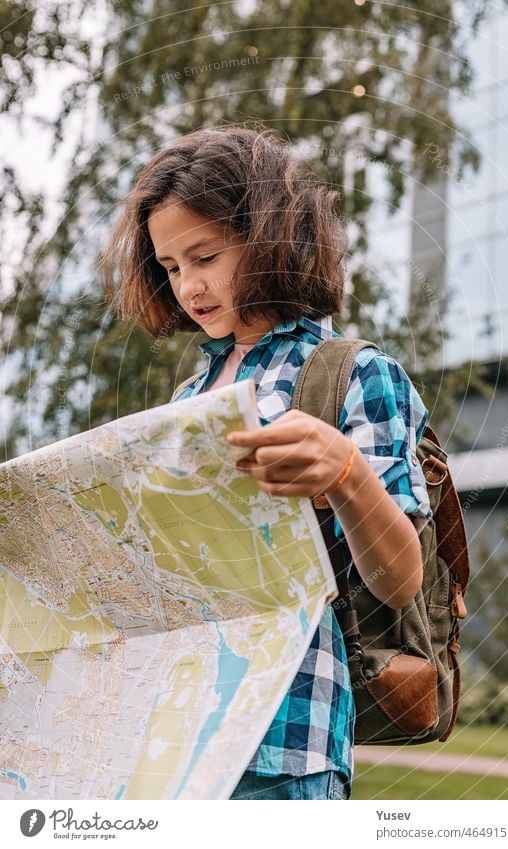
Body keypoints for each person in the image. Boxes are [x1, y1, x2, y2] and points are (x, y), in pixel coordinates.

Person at [100, 125, 432, 800]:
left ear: (272, 234)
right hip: (171, 744)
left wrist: (345, 473)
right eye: (169, 266)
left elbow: (400, 581)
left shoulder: (353, 373)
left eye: (205, 255)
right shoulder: (189, 398)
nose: (188, 285)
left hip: (284, 742)